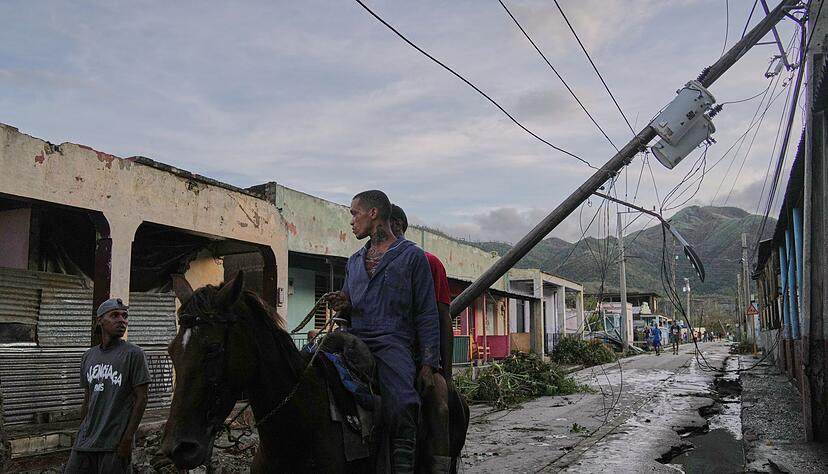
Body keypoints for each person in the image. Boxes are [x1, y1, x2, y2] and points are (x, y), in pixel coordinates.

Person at [327, 190, 440, 473]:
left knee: (403, 402)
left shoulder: (413, 257)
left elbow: (427, 313)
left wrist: (429, 364)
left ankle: (403, 467)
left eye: (355, 213)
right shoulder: (354, 261)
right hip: (353, 337)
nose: (352, 221)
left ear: (373, 213)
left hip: (392, 342)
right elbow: (349, 301)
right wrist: (343, 302)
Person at [390, 204, 453, 473]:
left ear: (399, 225)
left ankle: (439, 467)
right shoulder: (365, 261)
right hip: (377, 350)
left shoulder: (428, 261)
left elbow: (442, 317)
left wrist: (445, 372)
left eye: (387, 223)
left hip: (417, 355)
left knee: (440, 408)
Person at [65, 297, 151, 474]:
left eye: (124, 316)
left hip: (114, 443)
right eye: (115, 315)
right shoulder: (88, 356)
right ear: (100, 321)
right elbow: (88, 398)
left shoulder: (134, 354)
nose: (122, 320)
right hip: (85, 441)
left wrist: (127, 439)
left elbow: (142, 398)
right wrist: (81, 431)